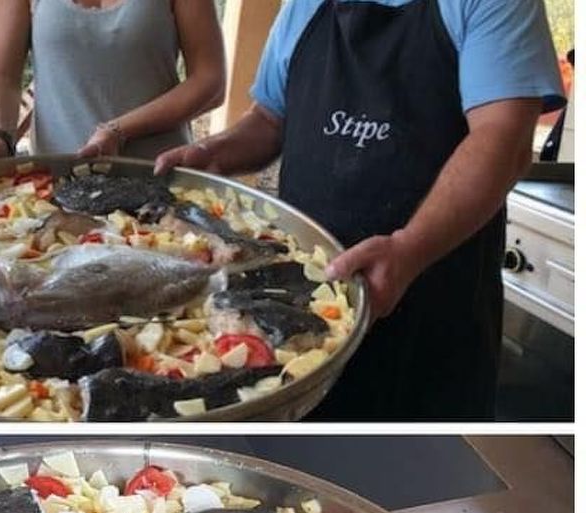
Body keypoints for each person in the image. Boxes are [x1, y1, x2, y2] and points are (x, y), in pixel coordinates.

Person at [155, 0, 563, 419]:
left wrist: (409, 249)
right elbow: (270, 119)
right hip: (301, 308)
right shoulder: (305, 6)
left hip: (431, 313)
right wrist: (212, 153)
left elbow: (505, 139)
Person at [0, 0, 225, 164]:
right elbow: (0, 78)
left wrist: (118, 130)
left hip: (158, 178)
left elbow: (210, 82)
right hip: (53, 183)